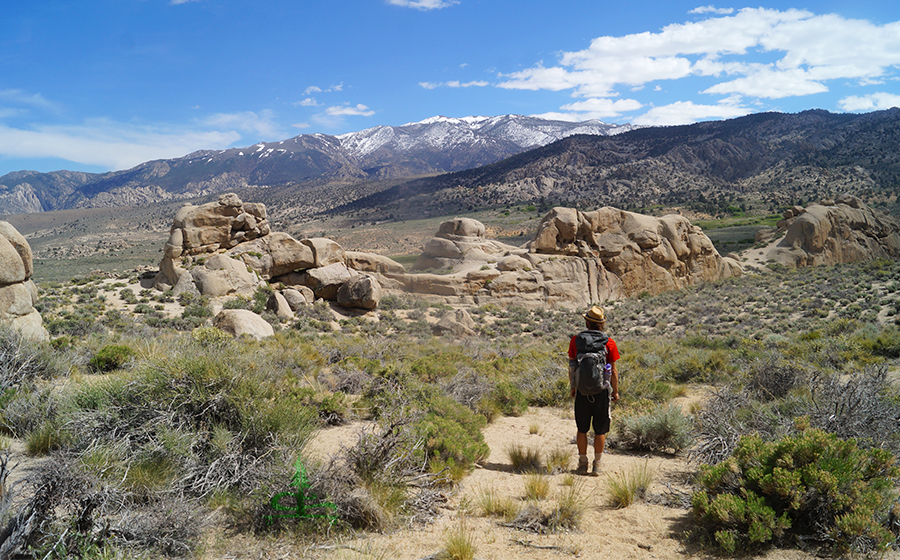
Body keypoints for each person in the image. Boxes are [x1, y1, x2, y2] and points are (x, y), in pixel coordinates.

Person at [568, 306, 620, 476]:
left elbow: (572, 366)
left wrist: (573, 387)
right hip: (602, 391)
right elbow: (613, 370)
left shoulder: (576, 340)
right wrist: (615, 391)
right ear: (602, 323)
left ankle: (583, 463)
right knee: (600, 430)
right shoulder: (609, 342)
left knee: (582, 429)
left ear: (587, 322)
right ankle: (597, 465)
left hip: (582, 392)